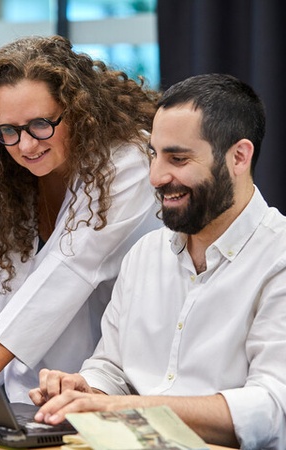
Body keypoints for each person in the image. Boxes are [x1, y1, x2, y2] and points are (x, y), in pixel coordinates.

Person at [29, 73, 286, 450]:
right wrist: (85, 390)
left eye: (178, 158)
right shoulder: (145, 254)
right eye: (153, 154)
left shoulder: (278, 257)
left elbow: (271, 410)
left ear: (239, 156)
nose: (156, 176)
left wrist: (123, 407)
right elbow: (111, 366)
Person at [0, 35, 162, 403]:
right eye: (9, 129)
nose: (26, 146)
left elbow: (67, 274)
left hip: (94, 389)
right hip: (5, 392)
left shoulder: (127, 162)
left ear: (79, 112)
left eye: (41, 124)